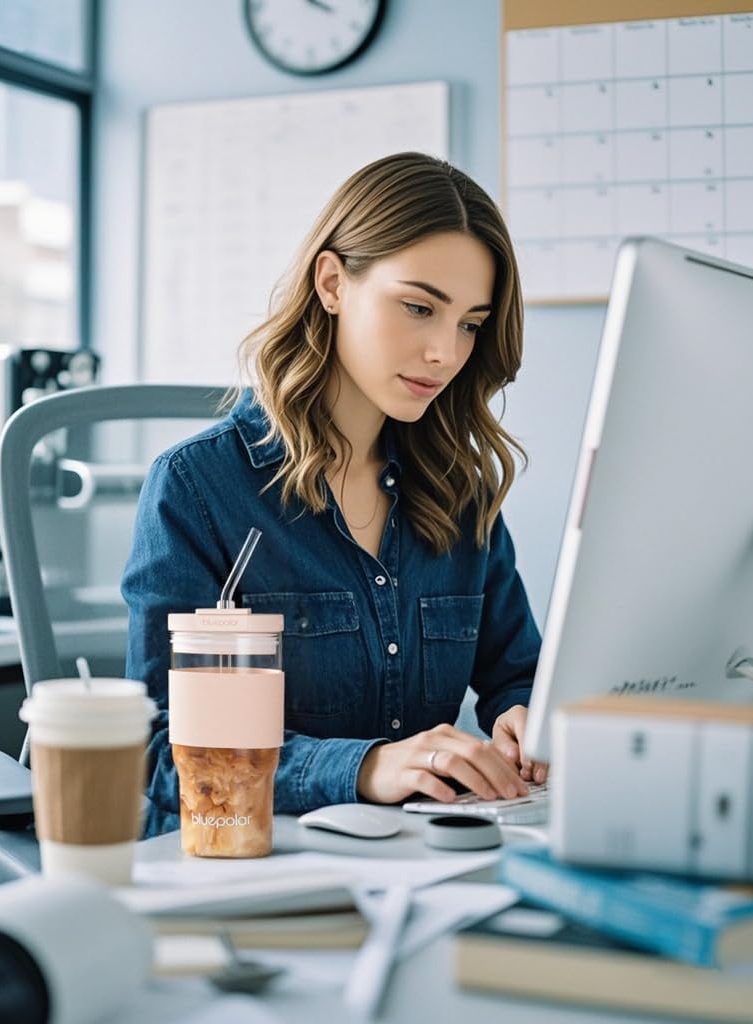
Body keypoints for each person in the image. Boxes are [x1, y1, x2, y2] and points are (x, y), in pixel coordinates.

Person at [122, 151, 545, 838]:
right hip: (238, 864)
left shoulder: (460, 495)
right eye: (418, 307)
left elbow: (518, 675)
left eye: (470, 323)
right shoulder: (199, 489)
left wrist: (526, 718)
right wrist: (366, 768)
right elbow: (158, 750)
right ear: (331, 283)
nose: (446, 350)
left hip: (414, 859)